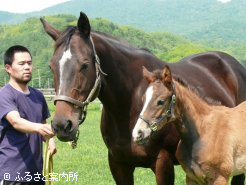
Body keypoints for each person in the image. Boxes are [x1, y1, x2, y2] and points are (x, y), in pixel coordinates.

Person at [0, 45, 56, 185]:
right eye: (21, 63)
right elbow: (16, 122)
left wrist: (50, 139)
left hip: (36, 173)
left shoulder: (38, 96)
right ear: (8, 68)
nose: (27, 67)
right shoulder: (4, 94)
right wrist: (40, 128)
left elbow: (42, 122)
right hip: (12, 174)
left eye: (29, 63)